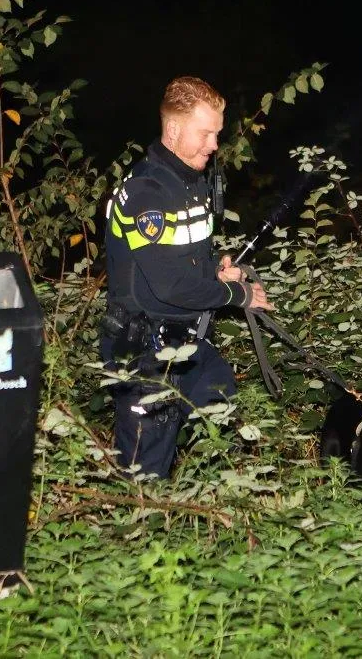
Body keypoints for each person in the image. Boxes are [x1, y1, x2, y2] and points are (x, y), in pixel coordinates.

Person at [99, 76, 273, 478]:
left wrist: (216, 271)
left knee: (220, 400)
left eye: (217, 133)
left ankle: (197, 507)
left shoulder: (188, 183)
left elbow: (183, 263)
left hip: (182, 340)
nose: (214, 145)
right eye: (206, 133)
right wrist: (238, 295)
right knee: (146, 469)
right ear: (174, 128)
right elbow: (169, 287)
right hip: (143, 348)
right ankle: (145, 524)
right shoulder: (148, 192)